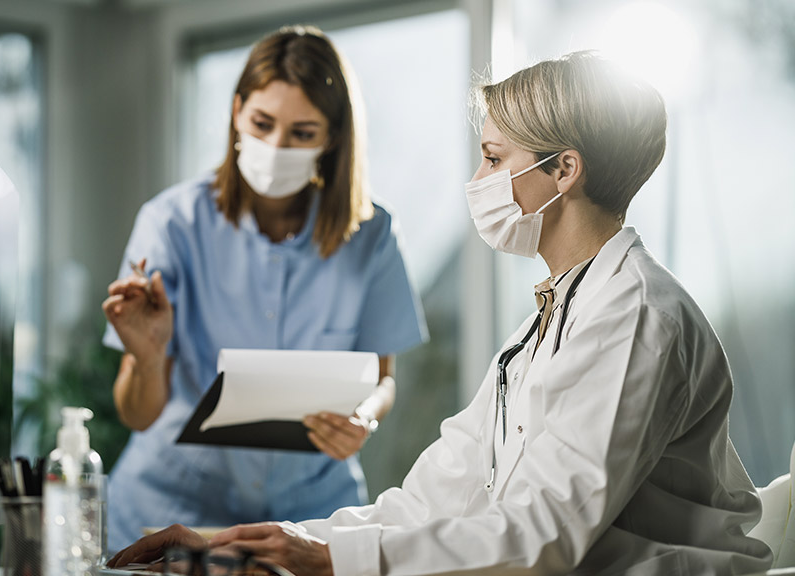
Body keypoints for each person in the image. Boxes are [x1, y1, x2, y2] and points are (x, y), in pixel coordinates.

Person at [107, 51, 775, 575]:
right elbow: (432, 502)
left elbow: (546, 534)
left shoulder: (635, 316)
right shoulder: (543, 327)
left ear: (564, 170)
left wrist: (331, 562)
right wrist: (263, 545)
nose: (479, 181)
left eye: (493, 159)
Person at [100, 25, 428, 552]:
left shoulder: (372, 235)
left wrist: (363, 418)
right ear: (236, 112)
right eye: (262, 123)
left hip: (308, 518)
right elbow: (138, 414)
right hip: (169, 509)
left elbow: (382, 378)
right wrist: (147, 353)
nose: (276, 147)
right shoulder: (170, 224)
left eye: (302, 132)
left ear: (333, 137)